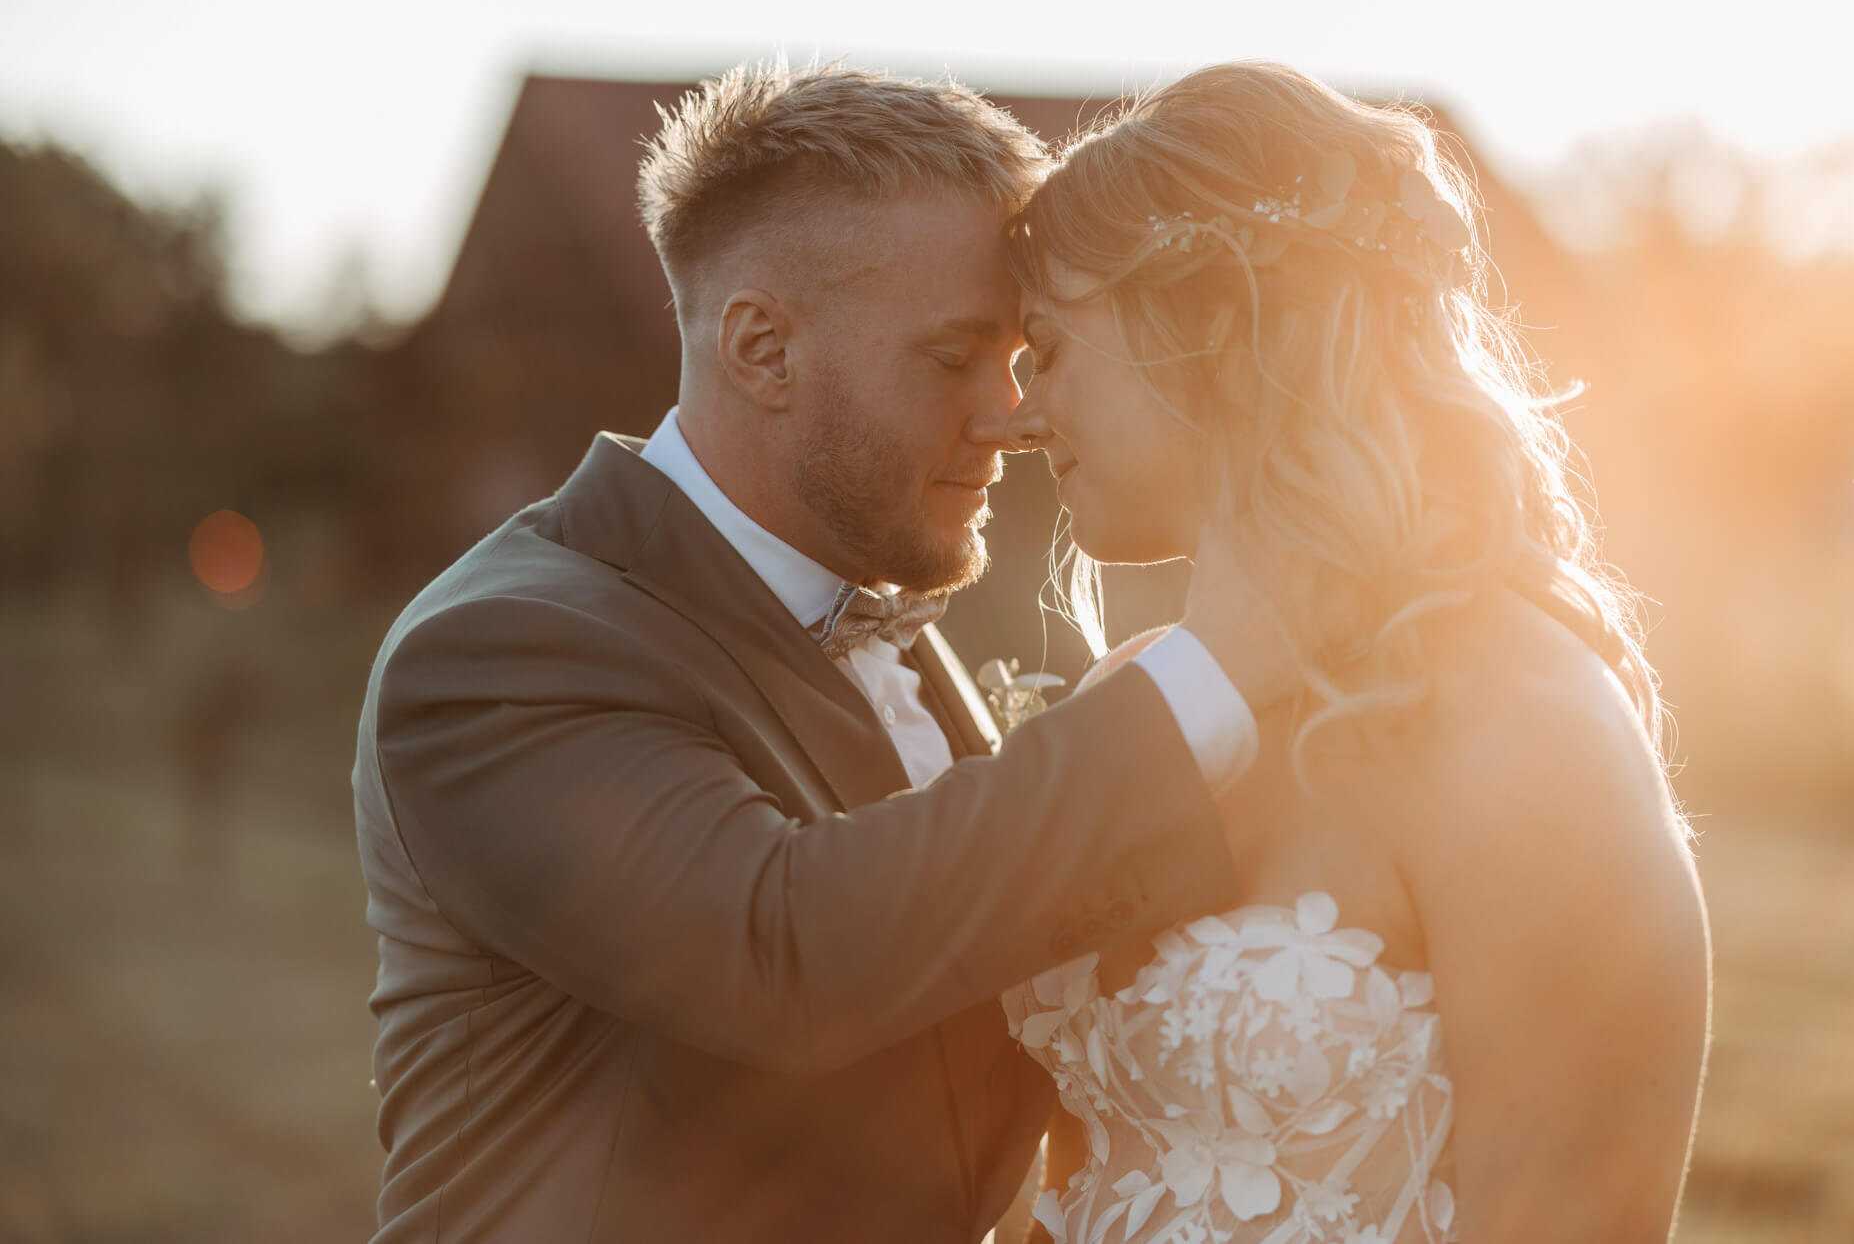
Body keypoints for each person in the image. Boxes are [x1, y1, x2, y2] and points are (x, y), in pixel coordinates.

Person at [351, 62, 1296, 1243]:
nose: (1006, 412)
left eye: (1018, 358)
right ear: (761, 349)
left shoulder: (894, 627)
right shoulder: (500, 649)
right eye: (953, 358)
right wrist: (1214, 671)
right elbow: (781, 952)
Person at [997, 61, 1711, 1243]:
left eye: (1053, 348)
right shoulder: (1129, 699)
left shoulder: (1527, 734)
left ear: (1210, 326)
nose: (1023, 415)